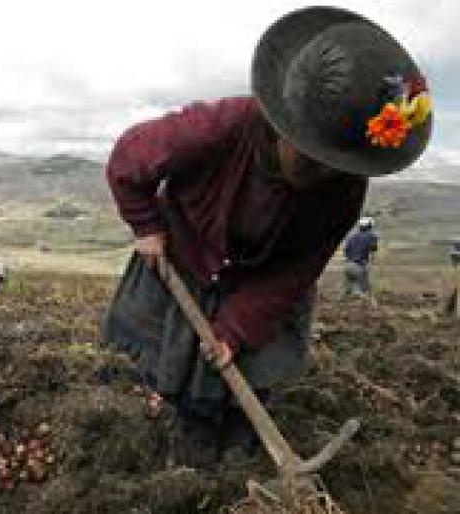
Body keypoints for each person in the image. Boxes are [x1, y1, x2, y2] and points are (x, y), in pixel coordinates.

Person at [101, 6, 432, 466]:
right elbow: (128, 158)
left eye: (335, 167)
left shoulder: (343, 188)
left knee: (249, 363)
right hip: (189, 256)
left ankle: (245, 439)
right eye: (312, 160)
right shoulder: (219, 128)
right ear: (283, 126)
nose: (321, 177)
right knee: (185, 367)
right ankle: (192, 430)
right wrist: (146, 225)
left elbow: (296, 270)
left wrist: (235, 332)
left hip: (268, 279)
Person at [343, 217, 379, 296]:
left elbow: (346, 251)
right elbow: (372, 252)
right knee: (361, 293)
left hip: (348, 267)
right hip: (360, 267)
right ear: (370, 226)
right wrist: (369, 265)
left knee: (350, 292)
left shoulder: (352, 237)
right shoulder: (371, 237)